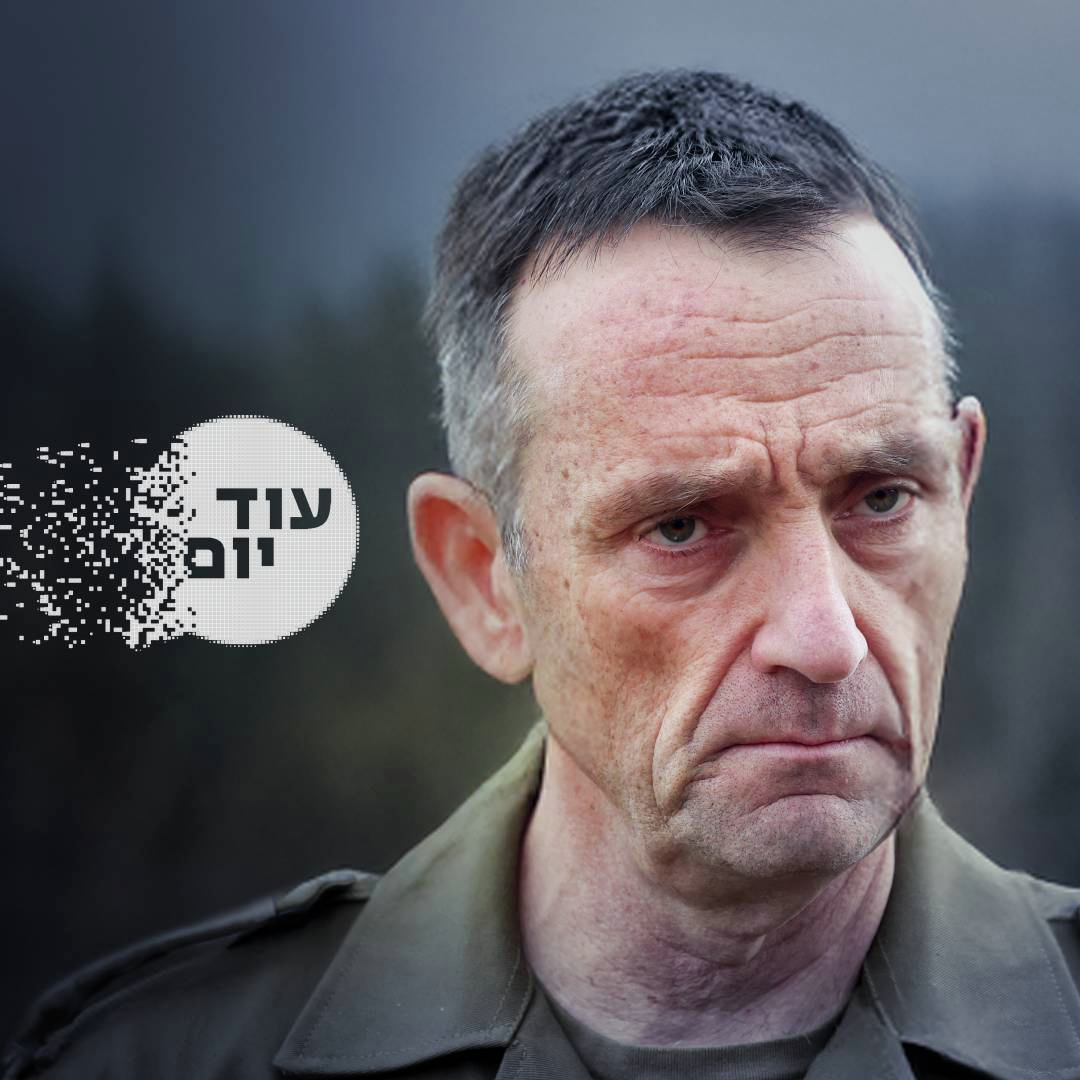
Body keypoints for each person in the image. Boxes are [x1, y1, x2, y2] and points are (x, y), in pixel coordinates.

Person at [5, 68, 1080, 1080]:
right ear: (483, 576)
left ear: (961, 486)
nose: (826, 637)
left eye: (881, 499)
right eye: (682, 526)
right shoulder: (163, 1059)